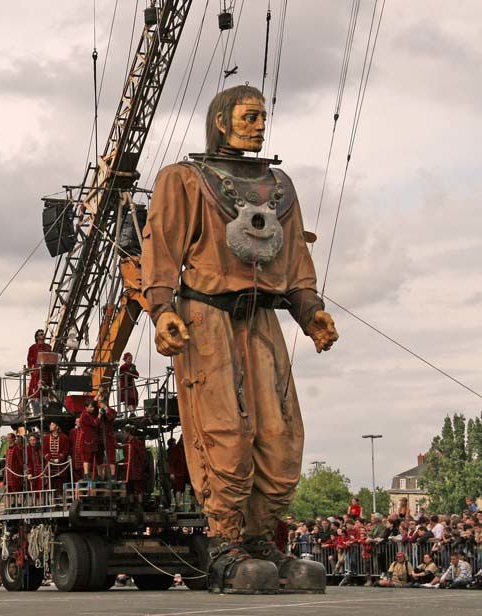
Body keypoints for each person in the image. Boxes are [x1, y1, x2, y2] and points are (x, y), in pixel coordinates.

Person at [140, 85, 338, 594]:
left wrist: (310, 311)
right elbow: (159, 248)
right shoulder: (184, 179)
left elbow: (294, 261)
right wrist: (161, 309)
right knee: (223, 430)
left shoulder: (280, 188)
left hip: (261, 319)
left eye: (263, 117)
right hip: (205, 317)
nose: (259, 124)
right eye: (249, 116)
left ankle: (259, 538)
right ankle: (224, 544)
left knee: (281, 434)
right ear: (222, 121)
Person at [42, 421, 71, 493]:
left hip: (60, 466)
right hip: (50, 466)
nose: (50, 426)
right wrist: (50, 459)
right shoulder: (46, 438)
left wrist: (59, 459)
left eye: (52, 425)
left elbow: (66, 450)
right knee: (50, 485)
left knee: (60, 485)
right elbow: (44, 450)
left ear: (57, 427)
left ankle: (61, 500)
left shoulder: (64, 437)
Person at [25, 329, 53, 405]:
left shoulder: (48, 347)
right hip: (37, 373)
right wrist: (33, 370)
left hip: (47, 372)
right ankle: (37, 405)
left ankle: (45, 405)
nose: (43, 335)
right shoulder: (32, 348)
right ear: (37, 337)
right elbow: (29, 361)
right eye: (41, 334)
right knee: (36, 392)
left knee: (46, 391)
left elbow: (51, 358)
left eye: (43, 334)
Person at [77, 400, 102, 481]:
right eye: (90, 407)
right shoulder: (84, 415)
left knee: (91, 458)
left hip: (91, 439)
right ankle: (86, 474)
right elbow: (95, 423)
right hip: (86, 440)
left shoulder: (89, 415)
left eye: (93, 407)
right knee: (86, 457)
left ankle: (95, 475)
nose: (92, 409)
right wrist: (99, 415)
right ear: (86, 407)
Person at [121, 429, 147, 498]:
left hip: (136, 470)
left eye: (123, 433)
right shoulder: (125, 442)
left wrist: (142, 467)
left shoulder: (137, 442)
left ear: (128, 433)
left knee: (138, 489)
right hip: (128, 471)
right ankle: (131, 505)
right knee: (129, 490)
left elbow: (142, 456)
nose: (123, 435)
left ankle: (139, 506)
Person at [97, 398, 118, 480]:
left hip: (108, 436)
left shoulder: (111, 411)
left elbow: (111, 417)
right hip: (99, 436)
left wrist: (105, 409)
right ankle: (99, 475)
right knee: (99, 456)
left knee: (111, 456)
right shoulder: (97, 412)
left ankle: (112, 475)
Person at [4, 433, 25, 503]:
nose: (8, 439)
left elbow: (21, 461)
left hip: (16, 474)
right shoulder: (7, 450)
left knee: (18, 491)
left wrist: (22, 472)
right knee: (10, 491)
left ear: (13, 439)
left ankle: (19, 505)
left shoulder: (17, 449)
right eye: (7, 438)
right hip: (9, 474)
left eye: (9, 438)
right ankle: (12, 505)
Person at [118, 352, 140, 417]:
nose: (130, 360)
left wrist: (133, 370)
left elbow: (137, 376)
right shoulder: (123, 367)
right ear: (125, 359)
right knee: (129, 398)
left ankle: (132, 412)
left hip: (132, 385)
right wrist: (131, 372)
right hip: (125, 385)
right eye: (129, 359)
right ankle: (132, 412)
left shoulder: (132, 366)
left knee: (135, 397)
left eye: (131, 359)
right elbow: (126, 375)